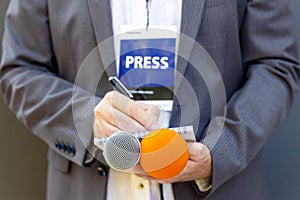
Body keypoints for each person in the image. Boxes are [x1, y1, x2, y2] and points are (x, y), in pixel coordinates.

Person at [0, 0, 299, 199]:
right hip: (86, 186)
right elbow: (20, 70)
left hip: (218, 189)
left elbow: (276, 64)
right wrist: (87, 119)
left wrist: (219, 151)